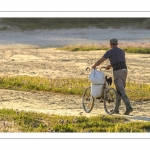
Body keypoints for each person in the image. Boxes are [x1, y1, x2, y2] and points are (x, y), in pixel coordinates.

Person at [91, 38, 133, 115]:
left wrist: (93, 66)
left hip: (117, 71)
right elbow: (120, 61)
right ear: (117, 44)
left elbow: (100, 61)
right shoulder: (121, 51)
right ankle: (116, 110)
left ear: (110, 44)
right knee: (118, 90)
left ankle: (129, 107)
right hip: (124, 70)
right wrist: (110, 65)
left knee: (120, 89)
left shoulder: (109, 52)